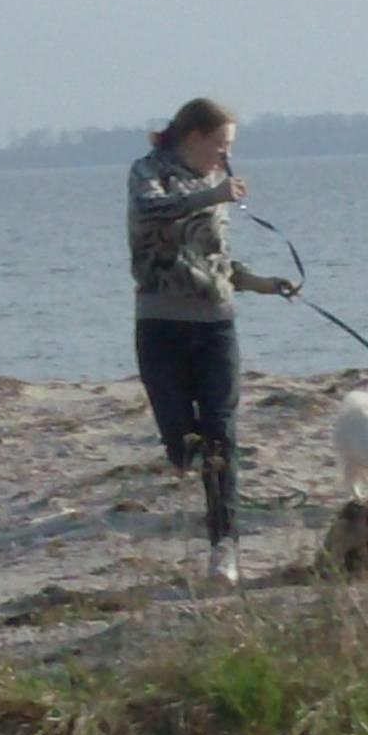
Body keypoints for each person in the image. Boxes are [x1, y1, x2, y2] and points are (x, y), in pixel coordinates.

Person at [127, 97, 296, 585]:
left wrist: (262, 283)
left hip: (216, 324)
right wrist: (214, 194)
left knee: (221, 431)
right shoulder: (149, 172)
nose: (226, 156)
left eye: (230, 147)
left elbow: (215, 258)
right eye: (221, 145)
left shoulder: (214, 186)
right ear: (194, 137)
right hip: (161, 323)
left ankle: (225, 546)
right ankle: (192, 465)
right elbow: (151, 211)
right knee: (182, 442)